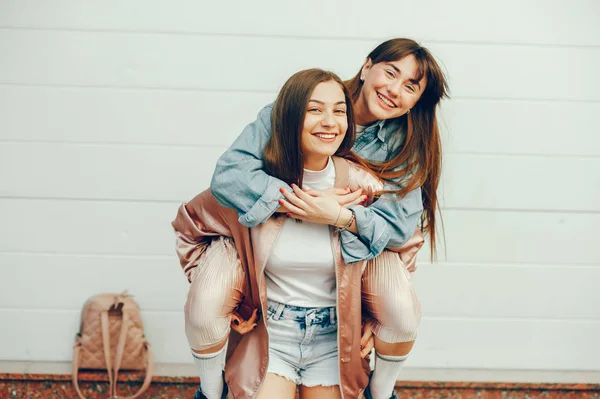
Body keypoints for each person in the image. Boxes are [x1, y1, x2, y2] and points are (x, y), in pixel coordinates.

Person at [209, 38, 449, 399]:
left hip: (352, 270)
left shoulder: (407, 146)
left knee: (400, 310)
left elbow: (398, 228)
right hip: (279, 274)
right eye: (391, 72)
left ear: (418, 100)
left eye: (410, 86)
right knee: (205, 302)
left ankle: (380, 393)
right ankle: (210, 390)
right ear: (368, 66)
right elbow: (230, 176)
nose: (394, 90)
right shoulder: (300, 104)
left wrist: (340, 215)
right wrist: (301, 202)